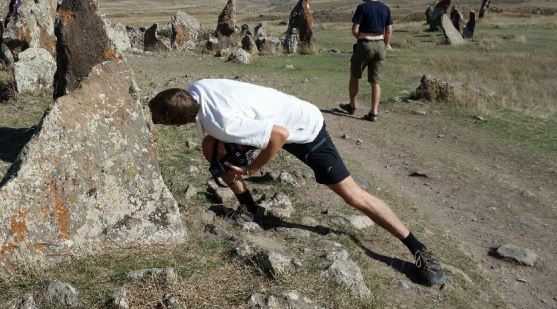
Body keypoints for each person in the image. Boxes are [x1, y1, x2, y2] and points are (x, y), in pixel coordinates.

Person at [148, 79, 446, 286]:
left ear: (179, 121)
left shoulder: (222, 123)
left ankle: (418, 248)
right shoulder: (196, 90)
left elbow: (278, 135)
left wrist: (252, 168)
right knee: (212, 148)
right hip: (274, 117)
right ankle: (249, 208)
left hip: (304, 128)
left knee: (353, 196)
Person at [340, 0, 392, 121]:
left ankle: (352, 105)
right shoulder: (385, 8)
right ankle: (373, 112)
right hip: (380, 45)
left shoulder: (362, 8)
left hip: (364, 44)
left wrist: (362, 39)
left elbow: (355, 29)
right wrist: (384, 46)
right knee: (376, 81)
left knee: (354, 76)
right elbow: (389, 31)